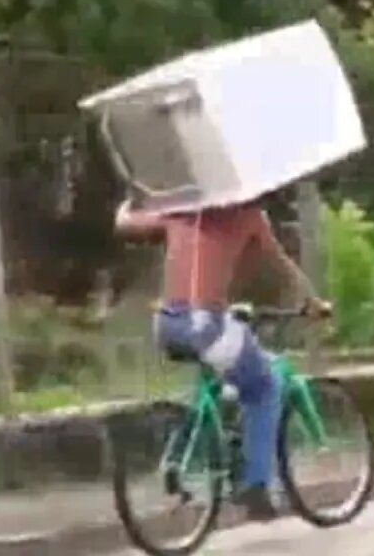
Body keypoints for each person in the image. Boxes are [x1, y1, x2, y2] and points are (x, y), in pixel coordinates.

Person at [114, 193, 330, 520]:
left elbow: (124, 223)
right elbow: (280, 264)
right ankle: (256, 486)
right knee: (264, 386)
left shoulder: (181, 209)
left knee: (220, 373)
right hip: (206, 325)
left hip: (167, 323)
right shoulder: (247, 214)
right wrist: (314, 302)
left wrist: (134, 197)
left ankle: (176, 459)